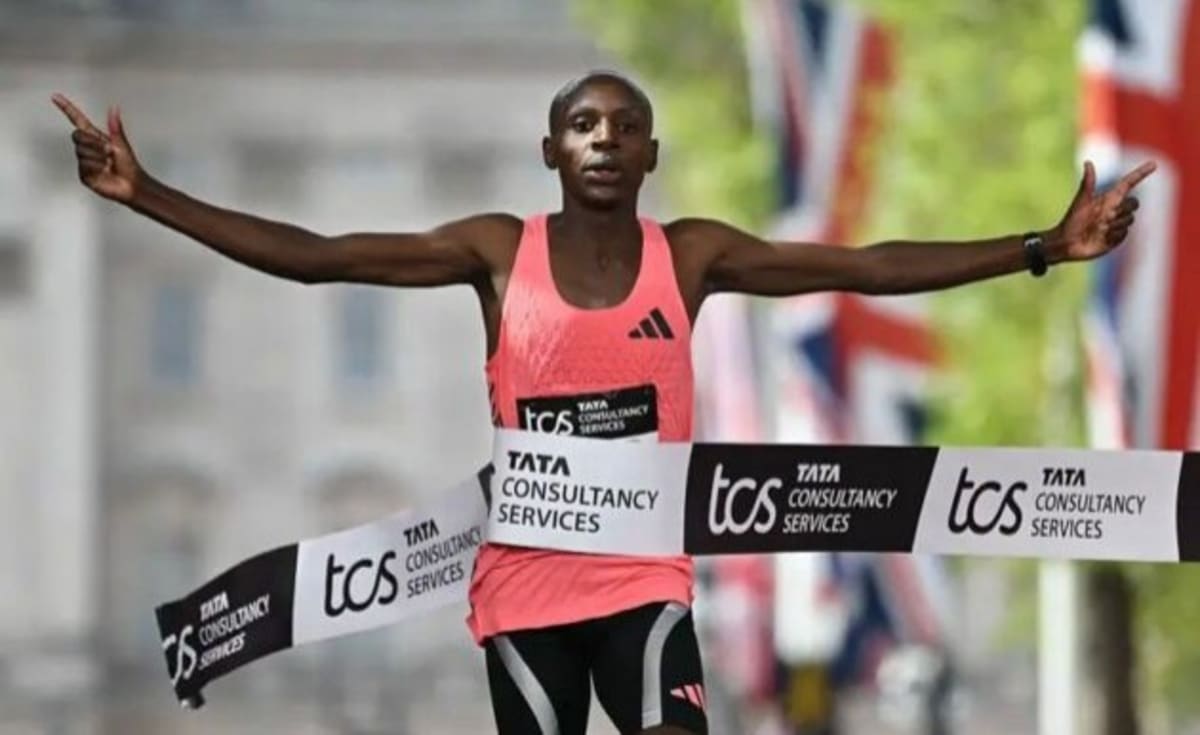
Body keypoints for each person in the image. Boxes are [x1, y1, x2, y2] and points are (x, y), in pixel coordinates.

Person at [52, 70, 1153, 735]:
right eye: (585, 125)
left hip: (643, 579)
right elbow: (319, 258)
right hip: (527, 594)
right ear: (550, 148)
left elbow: (861, 267)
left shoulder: (694, 255)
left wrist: (1039, 250)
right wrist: (144, 194)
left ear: (651, 154)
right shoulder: (494, 252)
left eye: (625, 127)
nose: (605, 141)